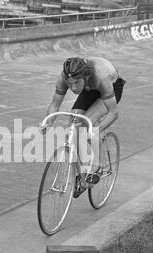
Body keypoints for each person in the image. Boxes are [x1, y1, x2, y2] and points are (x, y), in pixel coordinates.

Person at [44, 56, 126, 198]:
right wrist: (47, 122)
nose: (73, 87)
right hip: (89, 89)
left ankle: (97, 167)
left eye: (76, 83)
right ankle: (82, 176)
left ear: (86, 76)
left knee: (89, 121)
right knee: (74, 125)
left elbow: (114, 113)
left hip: (111, 86)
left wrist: (96, 130)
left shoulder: (100, 77)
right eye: (70, 84)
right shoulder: (66, 77)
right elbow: (55, 105)